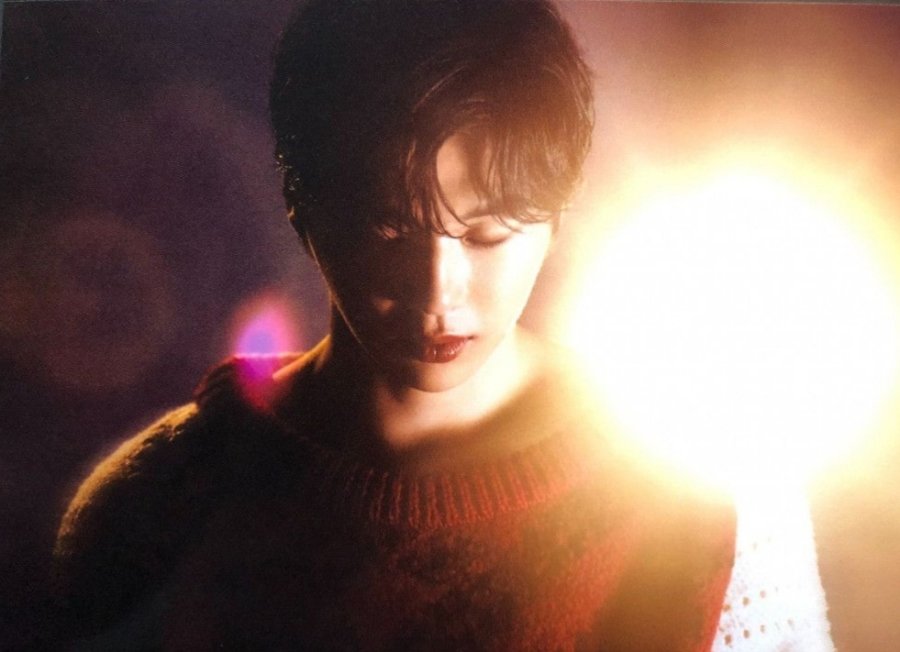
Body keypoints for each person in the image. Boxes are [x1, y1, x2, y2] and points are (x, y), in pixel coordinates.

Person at [52, 1, 739, 649]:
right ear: (304, 214)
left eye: (488, 235)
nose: (438, 291)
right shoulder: (159, 503)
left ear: (556, 218)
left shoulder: (668, 498)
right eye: (390, 231)